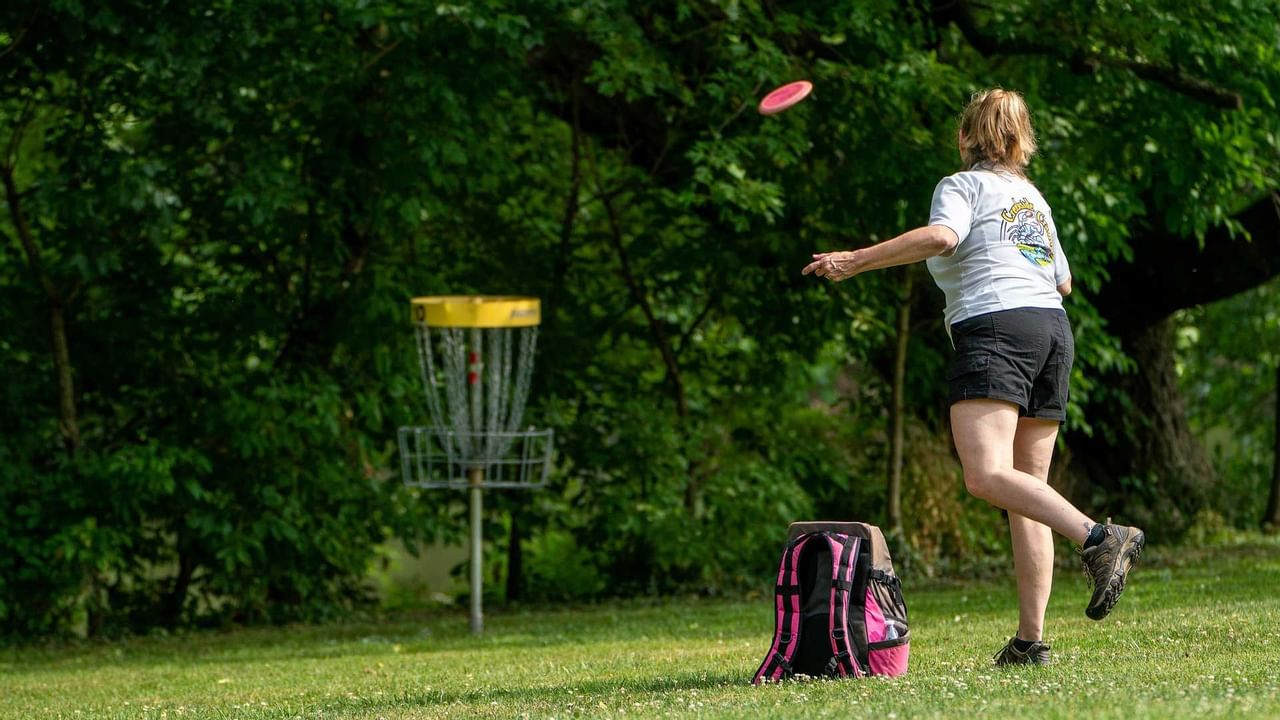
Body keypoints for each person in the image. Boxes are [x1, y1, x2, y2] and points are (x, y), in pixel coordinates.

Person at [801, 88, 1144, 666]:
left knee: (986, 475)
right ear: (1019, 141)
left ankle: (1099, 537)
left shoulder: (960, 185)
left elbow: (942, 238)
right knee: (1026, 492)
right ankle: (1030, 642)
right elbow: (1063, 282)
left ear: (965, 138)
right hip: (1051, 330)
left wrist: (856, 259)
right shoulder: (1033, 199)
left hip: (997, 327)